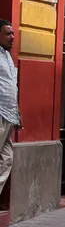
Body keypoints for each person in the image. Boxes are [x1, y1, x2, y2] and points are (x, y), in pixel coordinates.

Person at [0, 20, 19, 200]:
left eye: (12, 33)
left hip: (9, 113)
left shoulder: (7, 56)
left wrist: (17, 114)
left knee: (7, 159)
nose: (12, 37)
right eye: (7, 34)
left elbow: (12, 85)